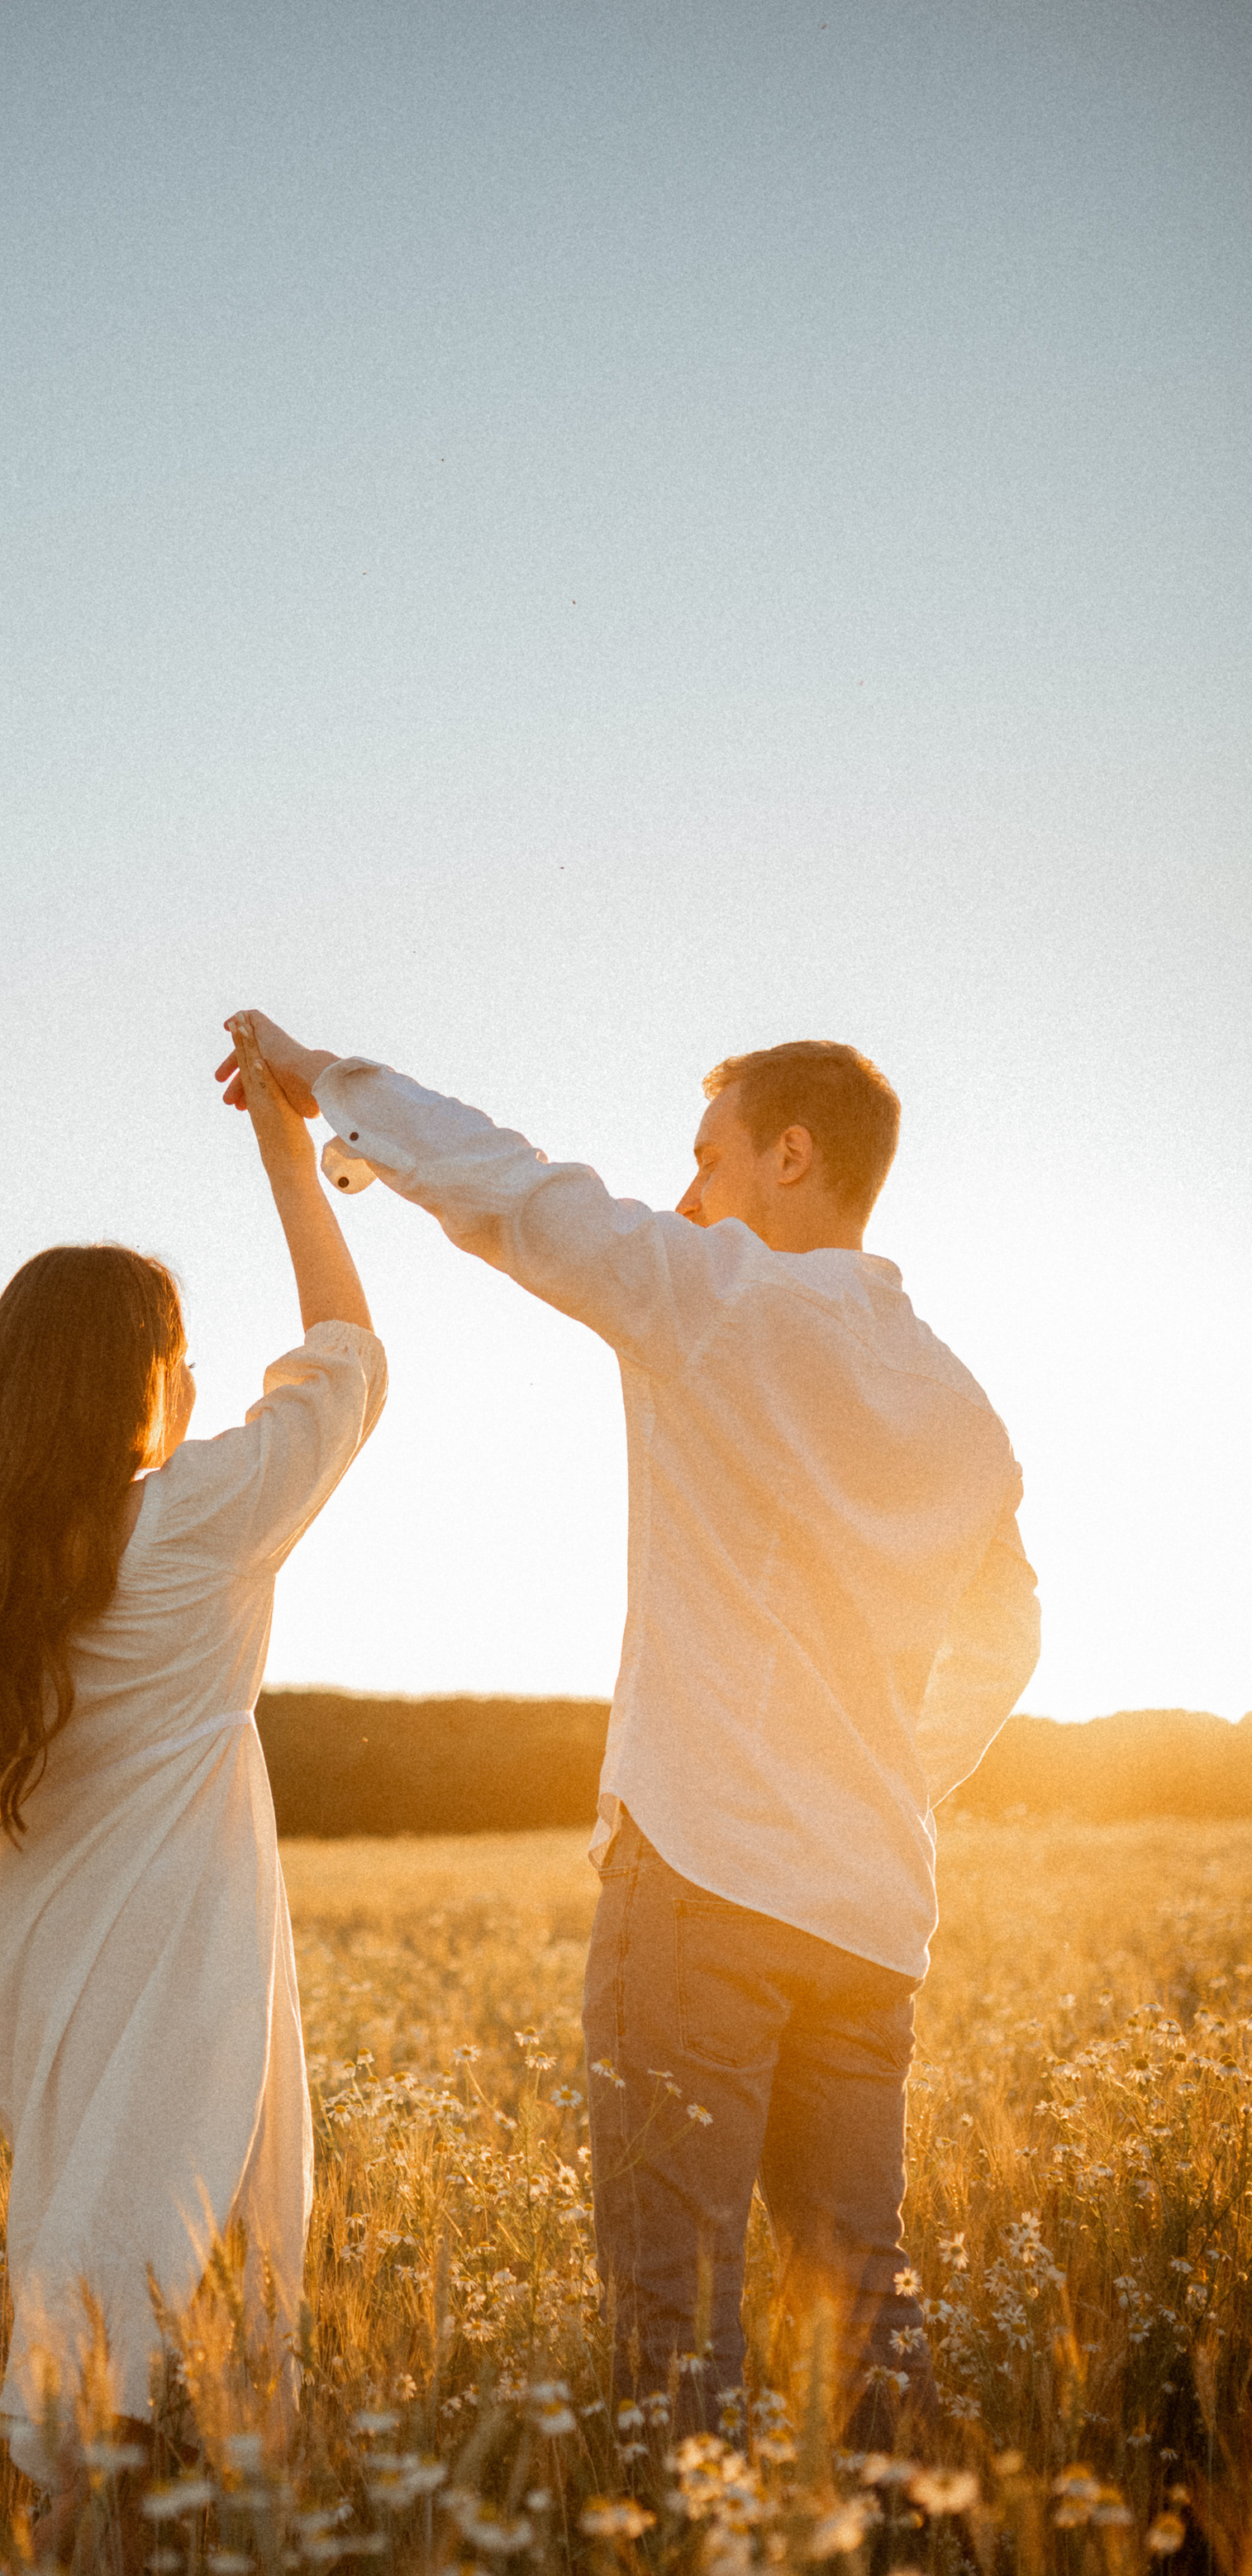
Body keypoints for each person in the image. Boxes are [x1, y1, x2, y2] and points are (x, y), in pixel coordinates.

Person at [218, 1011, 1040, 2445]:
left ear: (792, 1155)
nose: (691, 1192)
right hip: (867, 1914)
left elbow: (516, 1190)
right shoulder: (959, 1401)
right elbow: (1012, 1629)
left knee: (677, 2327)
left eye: (711, 1157)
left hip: (706, 1887)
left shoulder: (715, 1295)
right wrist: (891, 1781)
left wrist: (326, 1079)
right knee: (864, 2320)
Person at [0, 1029, 384, 2522]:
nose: (187, 1377)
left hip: (43, 1990)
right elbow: (350, 1364)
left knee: (93, 2299)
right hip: (185, 1979)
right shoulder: (199, 1521)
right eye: (175, 1355)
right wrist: (289, 1156)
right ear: (141, 1384)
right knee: (171, 2321)